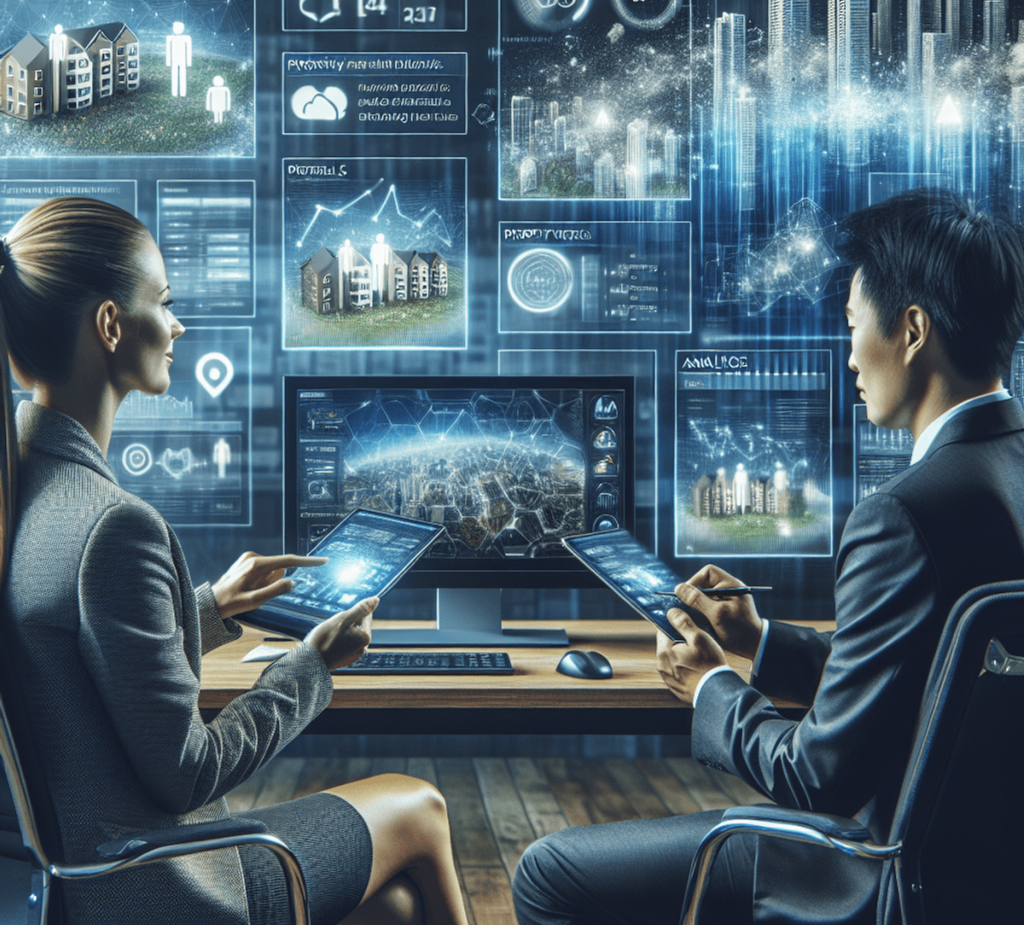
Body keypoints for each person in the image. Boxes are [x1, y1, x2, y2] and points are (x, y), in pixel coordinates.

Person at [513, 188, 1024, 924]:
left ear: (911, 330)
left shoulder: (903, 515)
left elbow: (819, 777)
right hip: (989, 873)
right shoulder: (1002, 477)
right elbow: (929, 681)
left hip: (878, 872)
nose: (849, 355)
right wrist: (761, 646)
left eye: (853, 326)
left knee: (548, 873)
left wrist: (711, 689)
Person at [0, 196, 470, 925]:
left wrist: (212, 605)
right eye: (165, 300)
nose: (178, 324)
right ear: (110, 325)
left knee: (400, 908)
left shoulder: (19, 485)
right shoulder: (115, 527)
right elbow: (188, 771)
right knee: (421, 805)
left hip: (62, 881)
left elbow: (67, 646)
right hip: (155, 882)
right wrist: (312, 666)